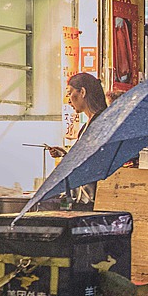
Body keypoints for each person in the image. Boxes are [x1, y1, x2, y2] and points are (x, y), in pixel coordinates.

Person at [47, 72, 109, 207]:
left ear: (82, 92)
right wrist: (65, 155)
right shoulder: (87, 126)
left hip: (94, 198)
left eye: (69, 93)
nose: (68, 100)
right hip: (84, 196)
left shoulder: (100, 123)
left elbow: (94, 161)